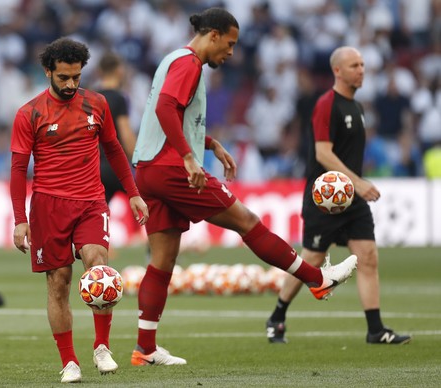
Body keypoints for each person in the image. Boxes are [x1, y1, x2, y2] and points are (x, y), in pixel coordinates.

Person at [129, 7, 358, 367]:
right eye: (230, 44)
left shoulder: (172, 60)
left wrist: (210, 144)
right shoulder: (189, 64)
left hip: (148, 169)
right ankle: (317, 279)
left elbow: (172, 117)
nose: (232, 53)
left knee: (162, 262)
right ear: (214, 35)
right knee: (247, 221)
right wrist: (189, 158)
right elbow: (165, 109)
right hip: (172, 168)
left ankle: (144, 349)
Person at [9, 37, 149, 383]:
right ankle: (69, 361)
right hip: (48, 206)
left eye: (76, 77)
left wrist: (133, 192)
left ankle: (102, 347)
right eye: (64, 78)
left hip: (90, 201)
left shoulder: (97, 104)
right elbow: (17, 169)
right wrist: (20, 220)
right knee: (59, 282)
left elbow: (114, 150)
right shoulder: (29, 113)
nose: (72, 84)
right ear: (48, 73)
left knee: (98, 267)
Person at [265, 46, 412, 345]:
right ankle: (277, 316)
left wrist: (356, 184)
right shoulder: (326, 105)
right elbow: (322, 152)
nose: (362, 69)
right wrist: (357, 182)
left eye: (362, 64)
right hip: (326, 198)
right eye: (354, 65)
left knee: (368, 257)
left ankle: (375, 330)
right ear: (337, 71)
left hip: (351, 198)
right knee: (313, 259)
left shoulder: (357, 108)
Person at [96, 51, 137, 204]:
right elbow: (125, 135)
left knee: (98, 217)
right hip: (115, 168)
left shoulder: (92, 98)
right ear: (119, 71)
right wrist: (137, 160)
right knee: (144, 204)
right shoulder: (119, 98)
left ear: (99, 72)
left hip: (95, 169)